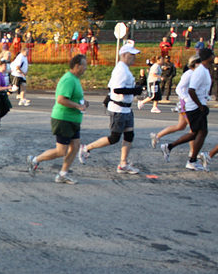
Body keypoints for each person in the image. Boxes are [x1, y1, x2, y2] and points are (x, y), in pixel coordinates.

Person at [78, 41, 142, 174]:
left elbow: (111, 86)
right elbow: (117, 89)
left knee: (129, 135)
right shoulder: (121, 70)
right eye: (132, 55)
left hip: (126, 108)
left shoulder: (123, 69)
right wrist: (134, 90)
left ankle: (123, 164)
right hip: (119, 109)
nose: (134, 57)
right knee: (114, 138)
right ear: (124, 55)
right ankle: (86, 148)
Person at [27, 54, 89, 184]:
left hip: (73, 119)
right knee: (61, 151)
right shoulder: (69, 79)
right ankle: (35, 160)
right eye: (84, 65)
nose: (86, 68)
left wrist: (82, 103)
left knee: (76, 146)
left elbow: (72, 97)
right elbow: (61, 99)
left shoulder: (75, 79)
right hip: (63, 119)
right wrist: (78, 106)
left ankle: (62, 174)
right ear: (77, 66)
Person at [159, 48, 214, 171]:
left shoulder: (204, 70)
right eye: (212, 55)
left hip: (196, 105)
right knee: (202, 132)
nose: (214, 57)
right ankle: (192, 160)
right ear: (207, 57)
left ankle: (169, 147)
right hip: (194, 107)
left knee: (195, 133)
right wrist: (200, 106)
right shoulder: (200, 71)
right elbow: (191, 90)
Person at [150, 55, 202, 154]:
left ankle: (157, 136)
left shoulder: (195, 74)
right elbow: (179, 88)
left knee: (181, 126)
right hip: (186, 103)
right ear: (196, 63)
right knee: (193, 128)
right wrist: (185, 99)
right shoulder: (189, 74)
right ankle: (193, 152)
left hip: (187, 102)